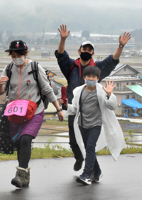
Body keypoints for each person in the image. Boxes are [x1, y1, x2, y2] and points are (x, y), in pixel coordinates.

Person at [55, 24, 131, 171]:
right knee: (73, 141)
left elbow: (112, 60)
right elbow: (61, 55)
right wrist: (63, 39)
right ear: (79, 51)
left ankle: (92, 171)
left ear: (93, 53)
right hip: (74, 108)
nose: (87, 51)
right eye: (84, 49)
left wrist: (120, 46)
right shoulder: (71, 66)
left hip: (93, 110)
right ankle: (79, 158)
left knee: (89, 143)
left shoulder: (97, 68)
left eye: (90, 50)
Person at [0, 40, 64, 188]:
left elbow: (47, 89)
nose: (16, 58)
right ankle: (25, 176)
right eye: (13, 55)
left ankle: (20, 175)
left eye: (19, 54)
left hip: (35, 112)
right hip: (15, 113)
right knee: (20, 144)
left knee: (26, 139)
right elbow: (1, 91)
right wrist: (0, 84)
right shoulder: (8, 69)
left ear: (26, 53)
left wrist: (58, 109)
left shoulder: (35, 67)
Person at [66, 66, 126, 185]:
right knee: (89, 149)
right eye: (88, 76)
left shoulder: (102, 91)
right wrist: (65, 106)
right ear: (84, 77)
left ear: (98, 78)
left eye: (94, 77)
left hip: (95, 124)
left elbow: (112, 106)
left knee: (90, 147)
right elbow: (74, 109)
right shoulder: (79, 91)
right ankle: (97, 172)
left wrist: (109, 95)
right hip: (82, 124)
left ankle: (86, 174)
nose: (91, 79)